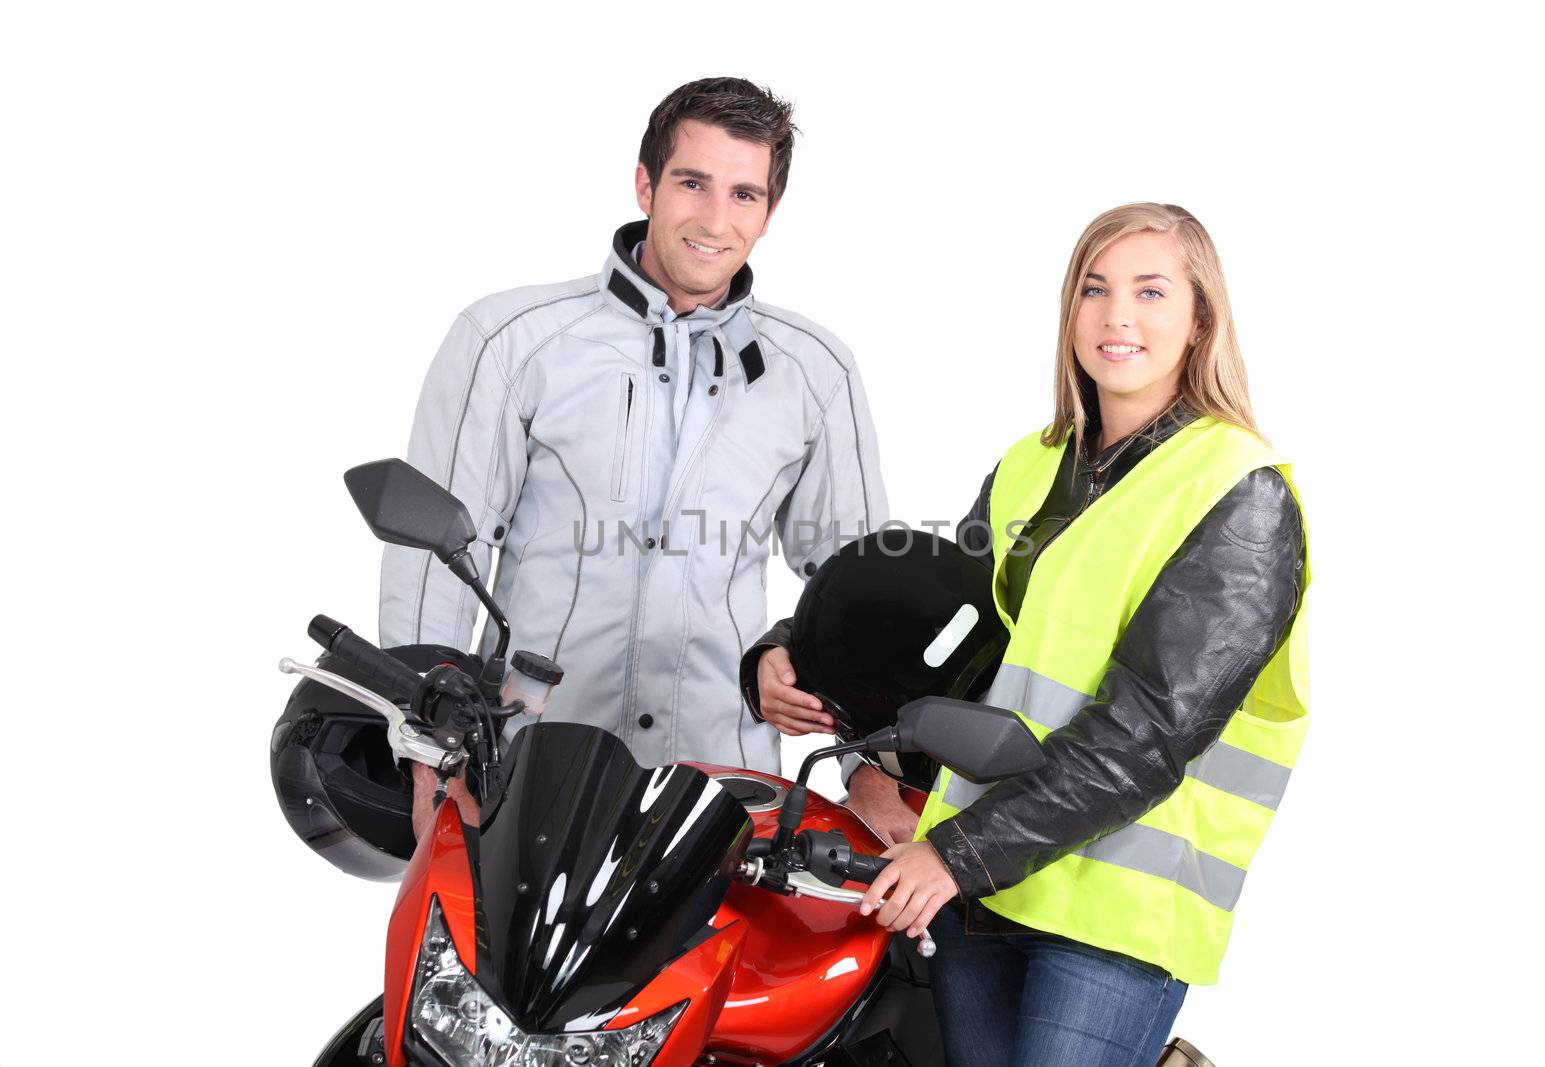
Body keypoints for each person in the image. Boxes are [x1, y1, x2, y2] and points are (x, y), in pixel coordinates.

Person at [749, 203, 1308, 1065]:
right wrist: (792, 649)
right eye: (1094, 288)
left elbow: (1148, 736)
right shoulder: (1033, 463)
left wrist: (956, 853)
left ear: (1201, 321)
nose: (1116, 314)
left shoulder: (1237, 491)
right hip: (986, 894)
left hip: (1106, 912)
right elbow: (934, 619)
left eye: (1150, 291)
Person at [380, 78, 890, 827]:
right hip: (524, 774)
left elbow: (856, 589)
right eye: (693, 183)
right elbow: (435, 560)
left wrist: (868, 771)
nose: (717, 219)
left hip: (720, 793)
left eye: (745, 194)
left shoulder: (815, 372)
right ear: (646, 182)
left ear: (770, 212)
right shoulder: (512, 342)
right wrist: (429, 754)